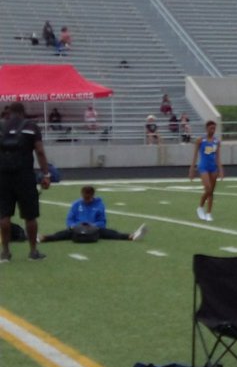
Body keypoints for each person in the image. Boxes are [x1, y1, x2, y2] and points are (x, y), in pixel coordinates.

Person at [0, 101, 52, 262]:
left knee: (4, 215)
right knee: (30, 216)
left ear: (9, 112)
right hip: (25, 175)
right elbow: (40, 151)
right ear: (23, 112)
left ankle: (5, 252)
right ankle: (33, 251)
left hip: (3, 176)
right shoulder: (31, 127)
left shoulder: (1, 127)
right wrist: (46, 174)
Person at [38, 185, 147, 243]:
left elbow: (102, 221)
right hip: (78, 228)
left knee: (111, 233)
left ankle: (131, 236)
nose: (86, 200)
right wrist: (73, 226)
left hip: (94, 229)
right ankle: (43, 238)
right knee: (62, 234)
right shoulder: (76, 204)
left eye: (88, 198)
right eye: (85, 197)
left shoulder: (99, 204)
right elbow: (70, 219)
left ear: (92, 195)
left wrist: (94, 225)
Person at [190, 120, 223, 222]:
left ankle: (209, 213)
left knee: (211, 191)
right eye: (211, 128)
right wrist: (192, 169)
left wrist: (221, 170)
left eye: (214, 128)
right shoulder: (201, 140)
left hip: (213, 167)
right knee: (208, 188)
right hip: (203, 166)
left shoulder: (216, 142)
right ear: (206, 128)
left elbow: (217, 157)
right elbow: (195, 155)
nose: (212, 130)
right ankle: (200, 207)